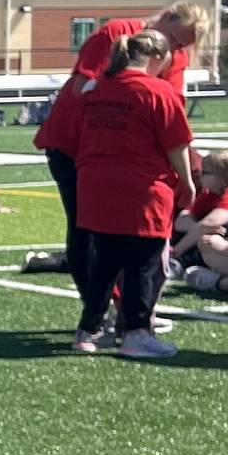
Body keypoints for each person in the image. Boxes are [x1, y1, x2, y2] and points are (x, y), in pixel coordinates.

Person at [33, 2, 207, 282]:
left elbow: (171, 108)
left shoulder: (175, 56)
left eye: (179, 46)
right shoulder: (116, 32)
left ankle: (127, 309)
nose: (173, 49)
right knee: (86, 228)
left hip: (121, 152)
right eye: (173, 39)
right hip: (76, 145)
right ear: (166, 18)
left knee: (128, 230)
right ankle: (97, 313)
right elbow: (82, 88)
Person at [71, 30, 193, 357]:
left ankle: (89, 329)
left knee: (105, 262)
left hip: (97, 186)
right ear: (157, 58)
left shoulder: (97, 89)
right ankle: (136, 332)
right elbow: (177, 143)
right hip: (141, 188)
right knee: (143, 263)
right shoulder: (157, 90)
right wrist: (187, 181)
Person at [178, 151, 228, 294]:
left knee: (213, 240)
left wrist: (225, 246)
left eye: (205, 172)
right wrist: (200, 228)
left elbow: (210, 222)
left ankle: (218, 283)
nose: (200, 176)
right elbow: (181, 221)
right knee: (207, 242)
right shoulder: (211, 194)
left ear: (221, 176)